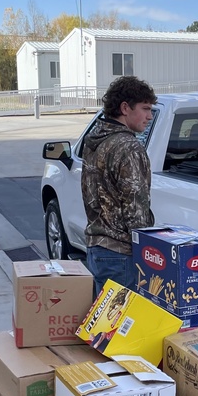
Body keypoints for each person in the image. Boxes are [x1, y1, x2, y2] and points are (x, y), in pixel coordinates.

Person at [81, 75, 157, 295]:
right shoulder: (128, 146)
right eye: (145, 108)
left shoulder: (95, 139)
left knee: (105, 324)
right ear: (125, 108)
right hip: (121, 254)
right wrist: (149, 252)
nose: (149, 116)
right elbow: (136, 210)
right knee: (121, 326)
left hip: (97, 247)